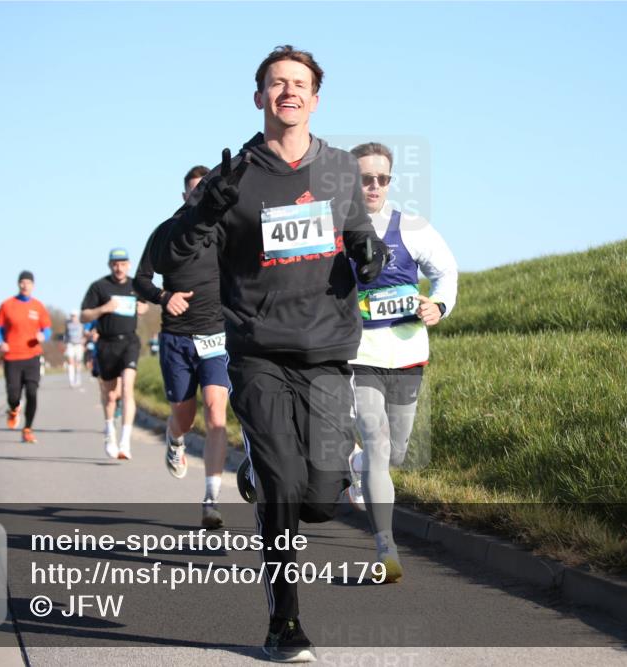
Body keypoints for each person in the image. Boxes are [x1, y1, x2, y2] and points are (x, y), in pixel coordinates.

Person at [152, 45, 388, 663]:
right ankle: (285, 621)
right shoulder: (234, 177)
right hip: (257, 349)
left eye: (299, 83)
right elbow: (171, 254)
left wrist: (370, 255)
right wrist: (207, 208)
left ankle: (256, 472)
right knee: (284, 487)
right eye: (277, 83)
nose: (289, 91)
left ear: (315, 99)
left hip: (327, 348)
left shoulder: (339, 168)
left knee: (321, 499)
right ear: (259, 97)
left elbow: (359, 236)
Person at [346, 142, 458, 583]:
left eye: (382, 179)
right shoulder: (335, 228)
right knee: (376, 441)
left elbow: (446, 272)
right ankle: (386, 549)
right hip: (359, 354)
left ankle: (358, 467)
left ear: (390, 182)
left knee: (396, 450)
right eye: (365, 179)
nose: (374, 186)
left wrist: (439, 306)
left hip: (408, 353)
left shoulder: (412, 226)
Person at [135, 164, 232, 530]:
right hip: (176, 338)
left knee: (216, 412)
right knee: (184, 417)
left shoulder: (222, 229)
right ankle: (175, 438)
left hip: (216, 335)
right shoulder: (166, 231)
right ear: (184, 195)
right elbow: (140, 280)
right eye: (194, 190)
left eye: (204, 190)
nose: (199, 195)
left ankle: (211, 500)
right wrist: (164, 297)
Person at [81, 248, 149, 460]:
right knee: (110, 395)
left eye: (123, 264)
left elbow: (145, 305)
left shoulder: (136, 285)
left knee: (127, 388)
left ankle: (125, 442)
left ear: (129, 265)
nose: (119, 268)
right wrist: (103, 309)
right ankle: (110, 431)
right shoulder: (99, 287)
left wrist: (143, 308)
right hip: (106, 344)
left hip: (129, 341)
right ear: (110, 265)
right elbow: (84, 315)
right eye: (115, 264)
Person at [0, 270, 53, 444]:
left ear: (33, 285)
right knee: (13, 395)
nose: (25, 285)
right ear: (18, 284)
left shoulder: (38, 306)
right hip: (12, 357)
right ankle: (13, 410)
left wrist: (43, 336)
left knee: (32, 392)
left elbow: (47, 328)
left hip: (32, 356)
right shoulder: (7, 305)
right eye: (22, 282)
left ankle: (28, 429)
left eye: (29, 283)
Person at [64, 313, 86, 387]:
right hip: (70, 344)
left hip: (79, 345)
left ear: (77, 317)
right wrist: (65, 344)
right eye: (72, 316)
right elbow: (66, 334)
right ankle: (71, 380)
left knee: (78, 362)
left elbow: (85, 334)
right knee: (70, 362)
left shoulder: (81, 324)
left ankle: (78, 378)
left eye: (74, 316)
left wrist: (84, 343)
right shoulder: (68, 324)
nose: (73, 317)